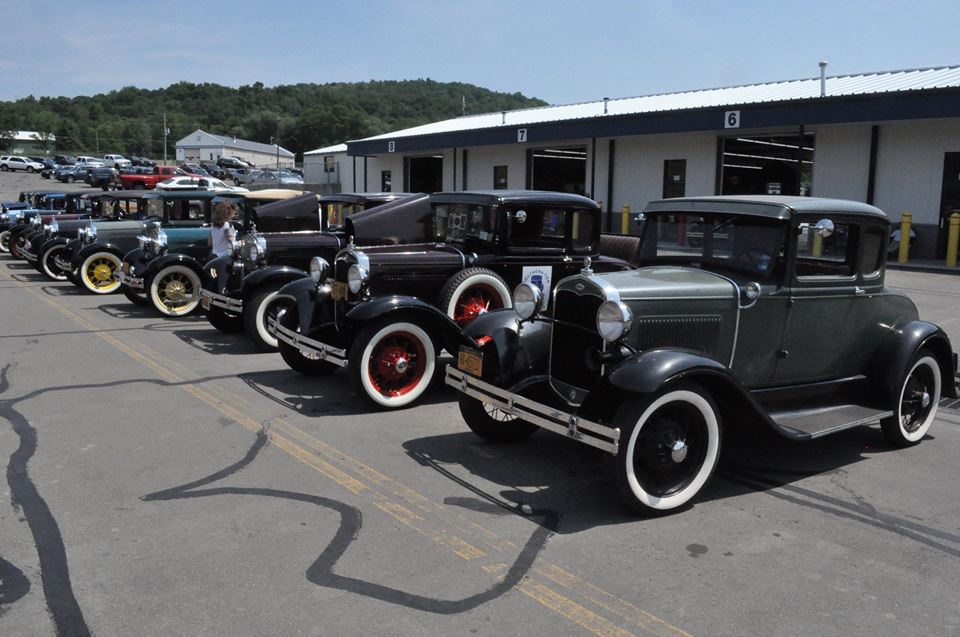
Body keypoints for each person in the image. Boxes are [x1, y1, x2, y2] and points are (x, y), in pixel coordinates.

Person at [208, 201, 238, 289]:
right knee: (223, 282)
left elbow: (209, 242)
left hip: (213, 256)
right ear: (228, 213)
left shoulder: (213, 227)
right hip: (224, 258)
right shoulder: (228, 225)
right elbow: (231, 240)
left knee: (213, 280)